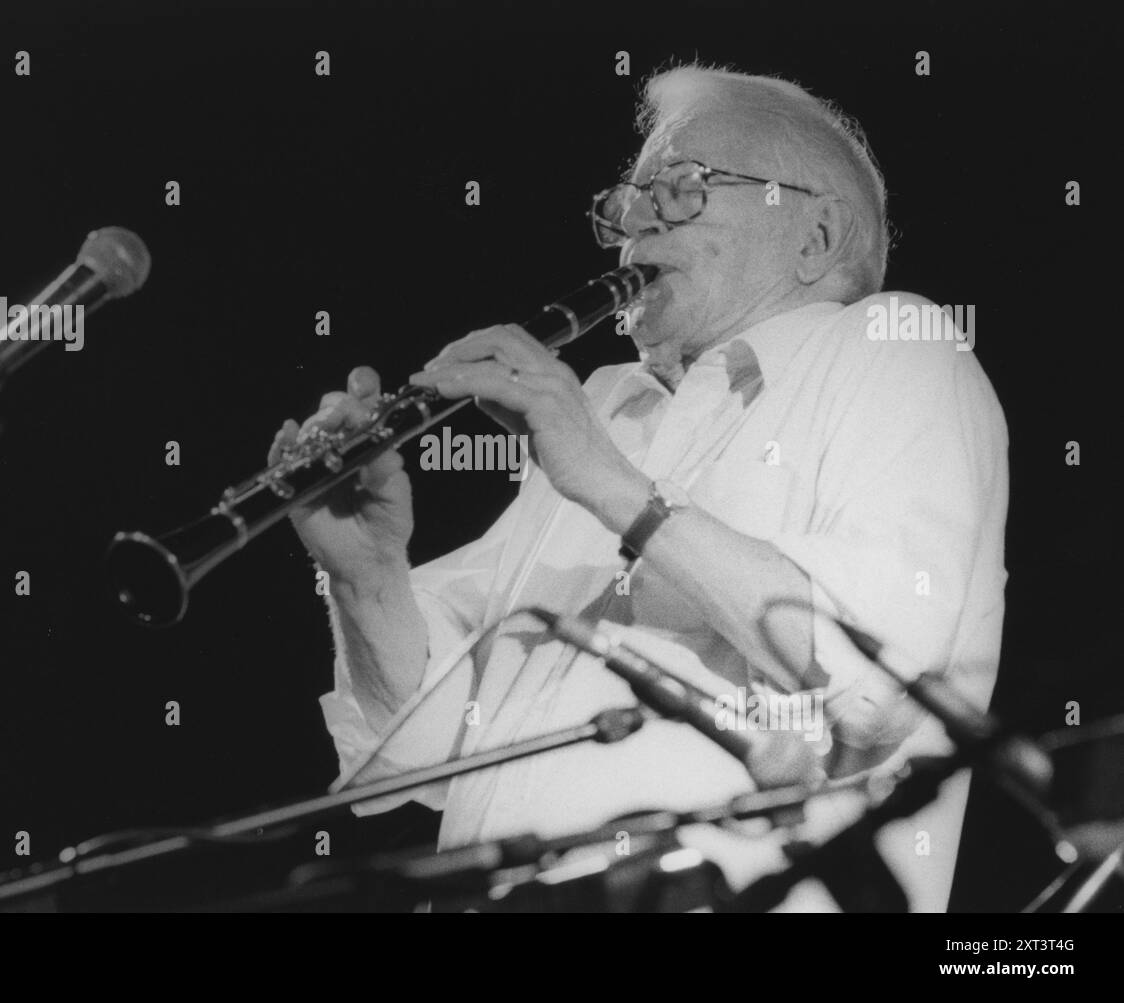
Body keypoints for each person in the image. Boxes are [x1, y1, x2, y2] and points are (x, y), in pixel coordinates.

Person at [268, 63, 1008, 911]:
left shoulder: (893, 347)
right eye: (629, 201)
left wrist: (612, 485)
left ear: (814, 236)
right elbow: (424, 746)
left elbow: (883, 691)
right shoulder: (612, 407)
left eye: (684, 189)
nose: (633, 226)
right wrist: (366, 577)